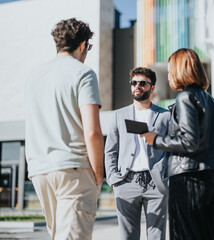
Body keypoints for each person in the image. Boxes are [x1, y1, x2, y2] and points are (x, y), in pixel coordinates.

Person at [25, 18, 103, 240]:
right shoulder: (83, 73)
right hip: (74, 170)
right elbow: (93, 132)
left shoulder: (33, 78)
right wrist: (98, 173)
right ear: (82, 45)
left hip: (40, 171)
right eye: (88, 47)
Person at [142, 48, 214, 240]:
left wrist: (156, 139)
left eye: (171, 70)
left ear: (180, 71)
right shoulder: (212, 102)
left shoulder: (185, 98)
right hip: (209, 182)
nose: (169, 75)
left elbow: (189, 141)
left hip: (187, 181)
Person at [105, 67, 170, 240]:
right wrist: (113, 180)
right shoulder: (118, 115)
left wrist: (167, 177)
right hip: (126, 182)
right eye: (134, 83)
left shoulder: (165, 116)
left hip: (156, 184)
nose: (137, 86)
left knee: (157, 236)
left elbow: (171, 149)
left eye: (143, 83)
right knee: (127, 236)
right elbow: (110, 150)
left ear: (152, 87)